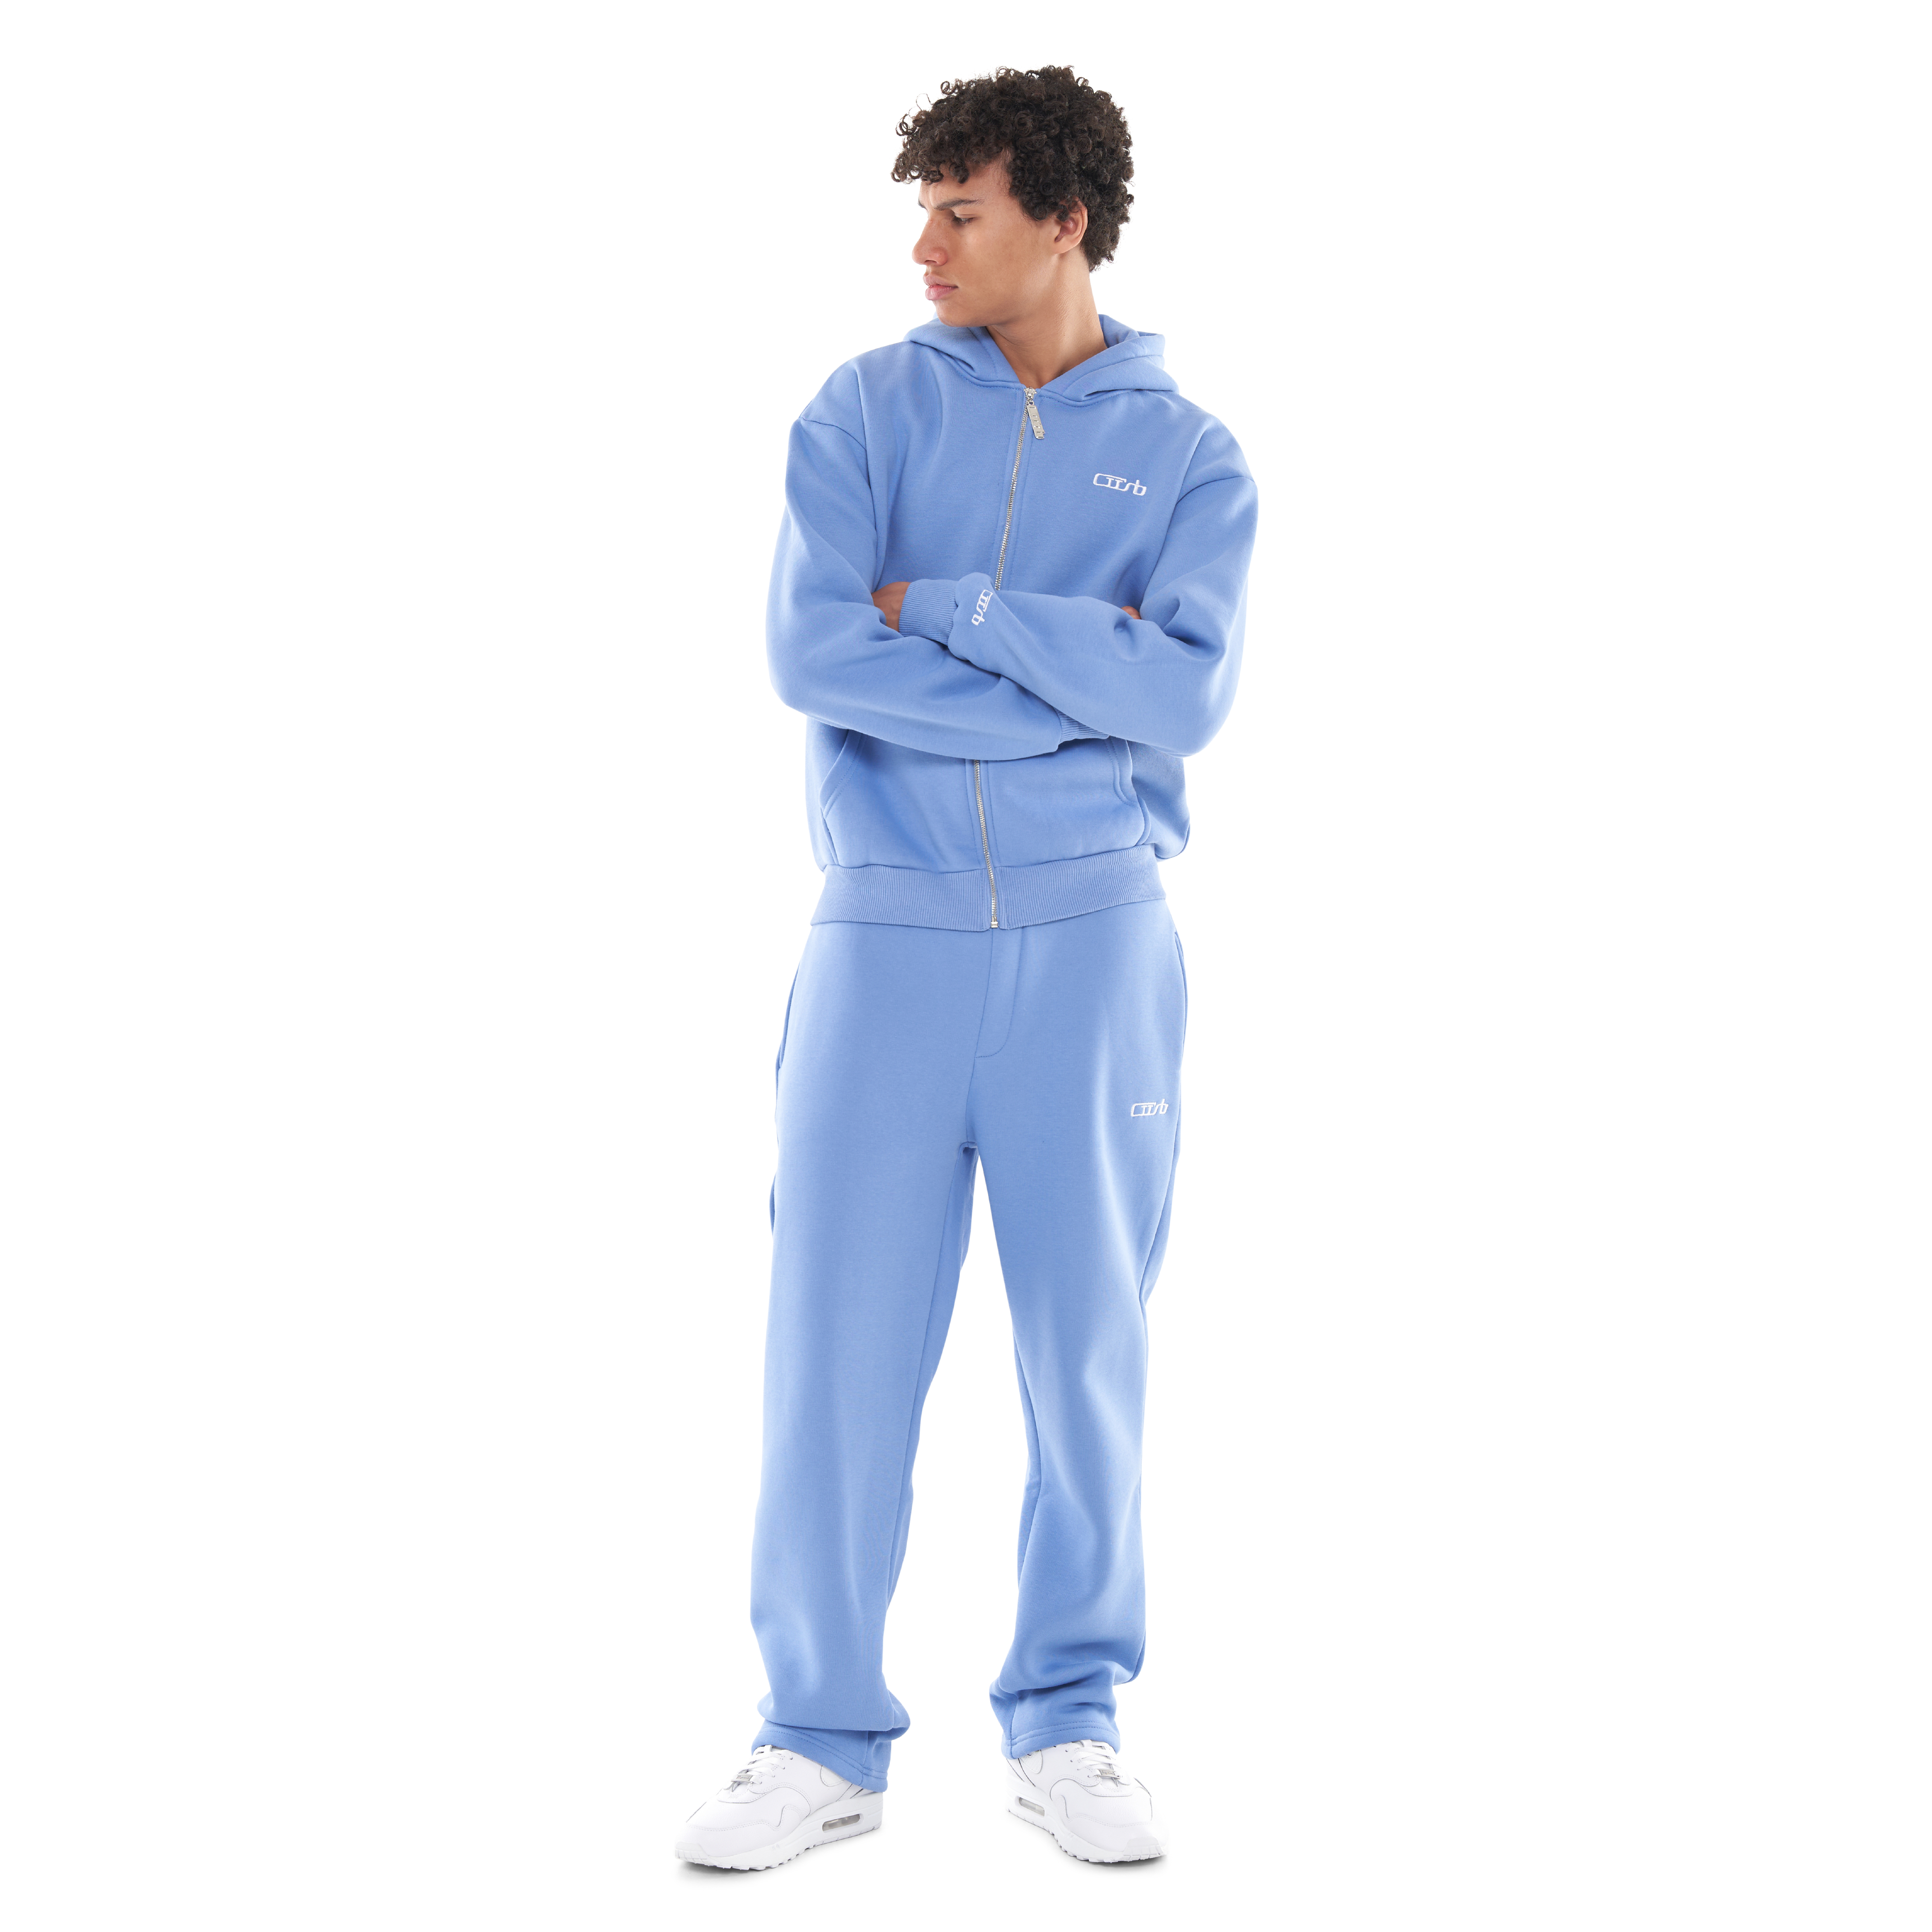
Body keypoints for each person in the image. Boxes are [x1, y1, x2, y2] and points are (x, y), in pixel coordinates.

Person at [675, 65, 1257, 1870]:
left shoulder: (1191, 458)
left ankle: (1070, 1717)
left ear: (1063, 223)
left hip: (1095, 945)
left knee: (1088, 1353)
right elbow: (810, 654)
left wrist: (954, 612)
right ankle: (814, 1736)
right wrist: (1072, 687)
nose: (924, 245)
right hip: (886, 938)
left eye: (961, 212)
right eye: (922, 209)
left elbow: (1186, 697)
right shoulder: (859, 413)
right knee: (832, 1357)